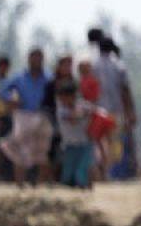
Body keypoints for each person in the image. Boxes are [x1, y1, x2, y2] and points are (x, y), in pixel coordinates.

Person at [0, 49, 52, 186]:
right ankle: (20, 184)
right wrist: (11, 99)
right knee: (20, 149)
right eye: (33, 58)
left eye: (38, 58)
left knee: (42, 151)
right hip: (23, 116)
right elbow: (2, 90)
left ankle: (40, 184)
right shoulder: (19, 77)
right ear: (29, 60)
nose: (36, 61)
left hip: (43, 116)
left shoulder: (48, 77)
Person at [94, 38, 136, 180]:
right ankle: (108, 172)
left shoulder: (94, 65)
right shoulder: (119, 66)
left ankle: (101, 171)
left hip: (97, 111)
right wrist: (130, 112)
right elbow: (125, 90)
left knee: (99, 142)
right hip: (116, 111)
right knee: (114, 142)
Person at [54, 80, 95, 189]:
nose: (63, 100)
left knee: (82, 169)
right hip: (70, 145)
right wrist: (82, 113)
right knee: (68, 173)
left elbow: (94, 111)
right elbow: (73, 118)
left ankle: (85, 188)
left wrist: (85, 112)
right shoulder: (61, 110)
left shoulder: (83, 104)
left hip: (85, 143)